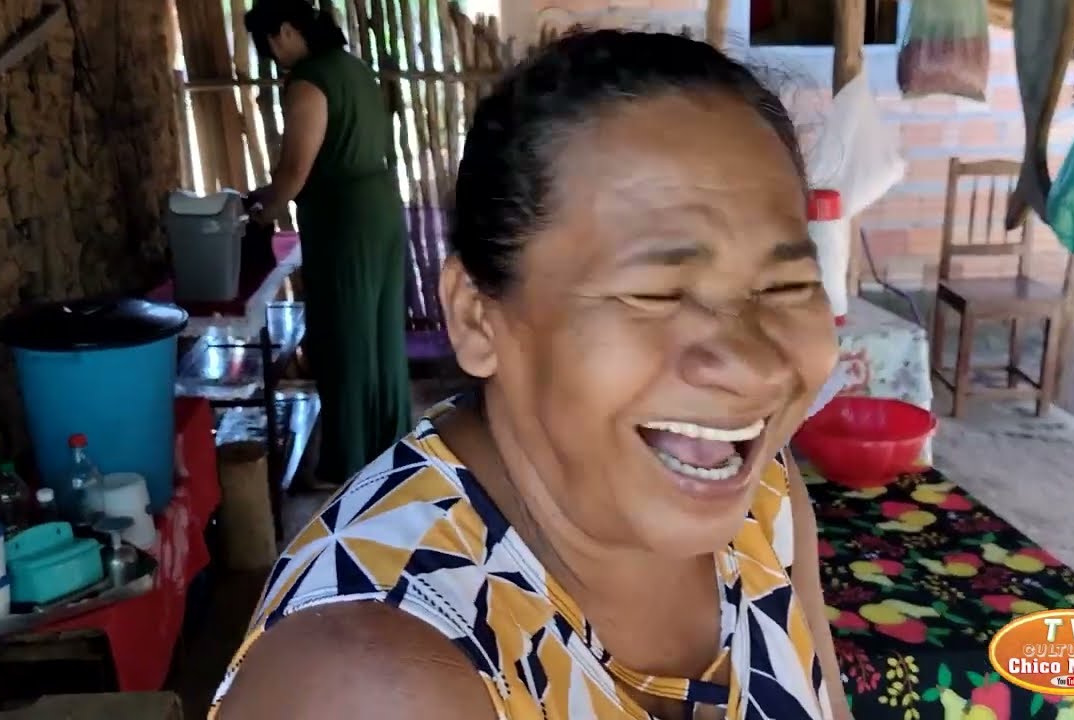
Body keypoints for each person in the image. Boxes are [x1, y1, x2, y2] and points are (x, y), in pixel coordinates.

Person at [211, 29, 851, 720]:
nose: (755, 366)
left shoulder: (765, 497)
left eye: (786, 285)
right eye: (657, 293)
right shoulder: (373, 681)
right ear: (479, 320)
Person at [244, 0, 412, 486]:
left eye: (271, 43)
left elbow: (297, 170)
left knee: (345, 336)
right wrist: (268, 196)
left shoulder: (309, 80)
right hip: (377, 206)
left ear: (288, 31)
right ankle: (389, 443)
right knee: (379, 333)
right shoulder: (353, 69)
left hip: (344, 219)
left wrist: (262, 214)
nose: (273, 55)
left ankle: (350, 460)